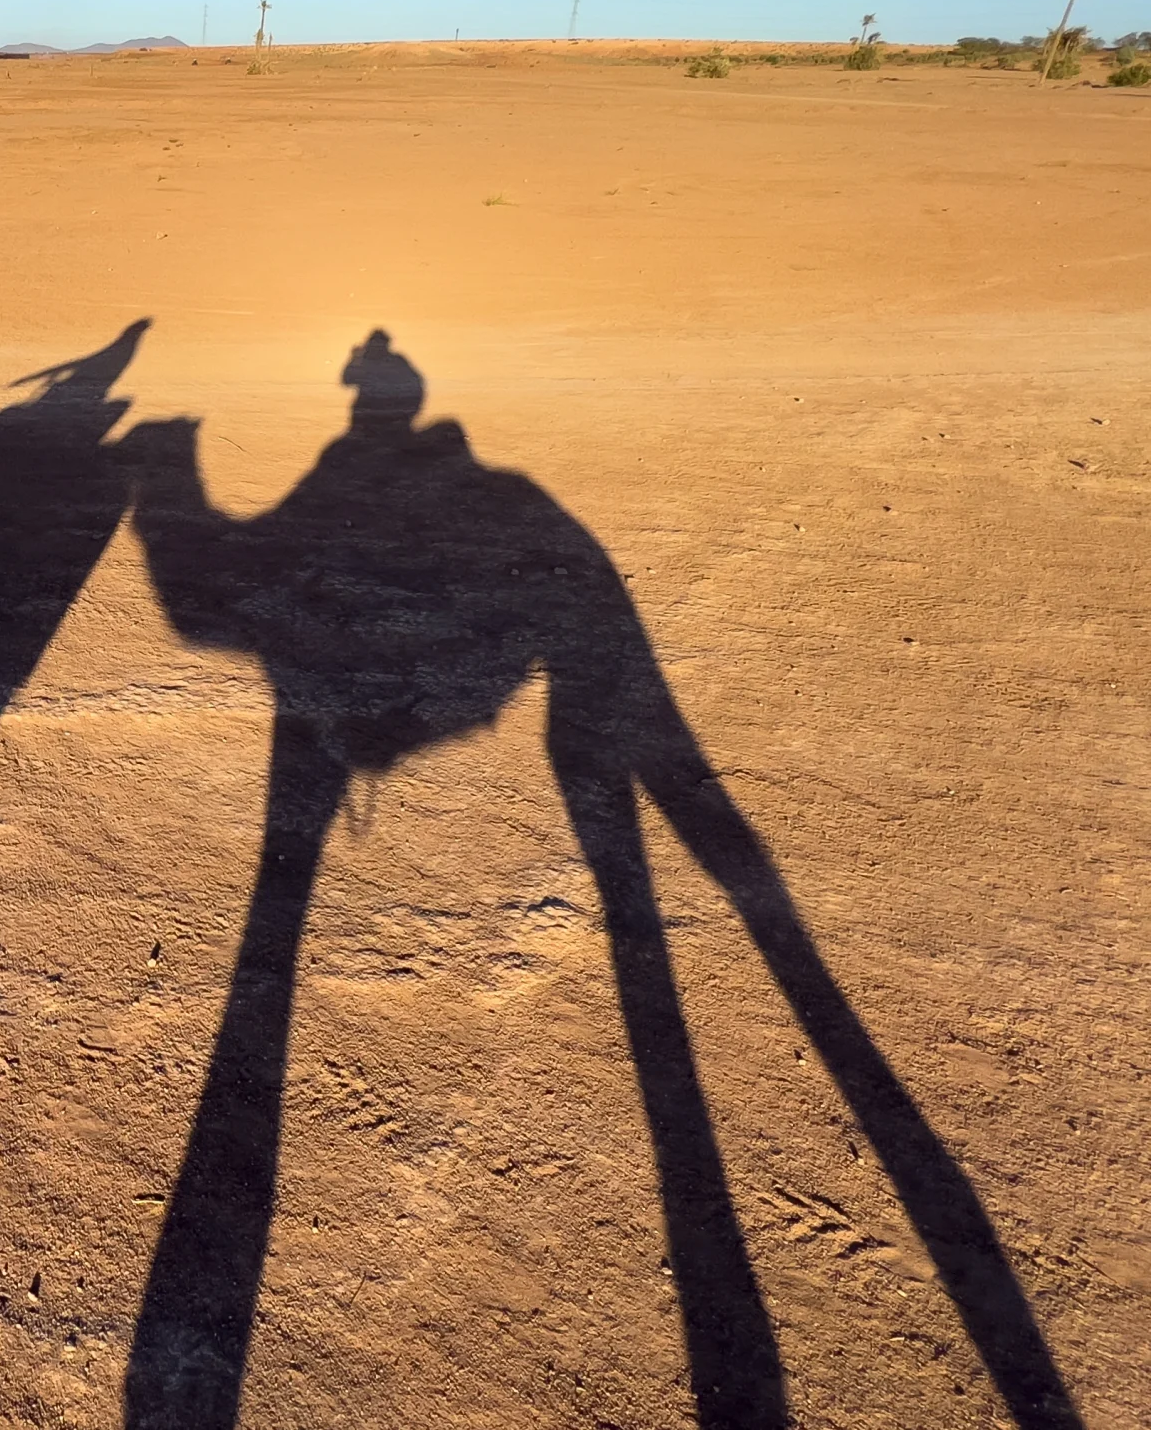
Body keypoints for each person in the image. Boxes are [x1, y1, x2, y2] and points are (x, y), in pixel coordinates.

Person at [120, 333, 1074, 1430]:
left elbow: (208, 607)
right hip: (436, 709)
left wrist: (162, 491)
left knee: (279, 912)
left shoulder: (363, 489)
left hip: (359, 725)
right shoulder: (487, 494)